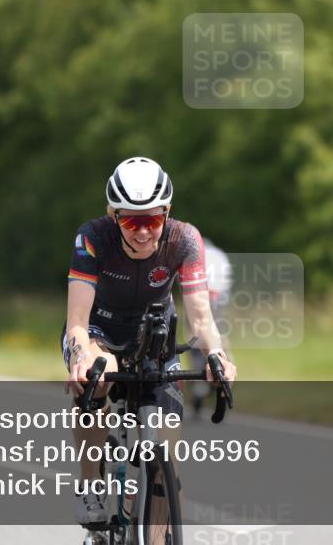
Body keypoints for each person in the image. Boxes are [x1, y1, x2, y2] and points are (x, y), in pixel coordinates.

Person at [62, 157, 238, 528]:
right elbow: (77, 323)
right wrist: (82, 357)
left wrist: (217, 356)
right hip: (99, 334)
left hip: (154, 338)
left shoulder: (184, 240)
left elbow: (201, 319)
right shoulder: (92, 238)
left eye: (152, 220)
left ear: (167, 213)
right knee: (100, 373)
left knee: (167, 471)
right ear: (113, 215)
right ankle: (91, 483)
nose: (143, 231)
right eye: (131, 220)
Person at [188, 238, 232, 418]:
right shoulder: (217, 255)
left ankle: (202, 389)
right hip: (209, 303)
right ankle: (204, 390)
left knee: (203, 348)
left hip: (200, 301)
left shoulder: (198, 255)